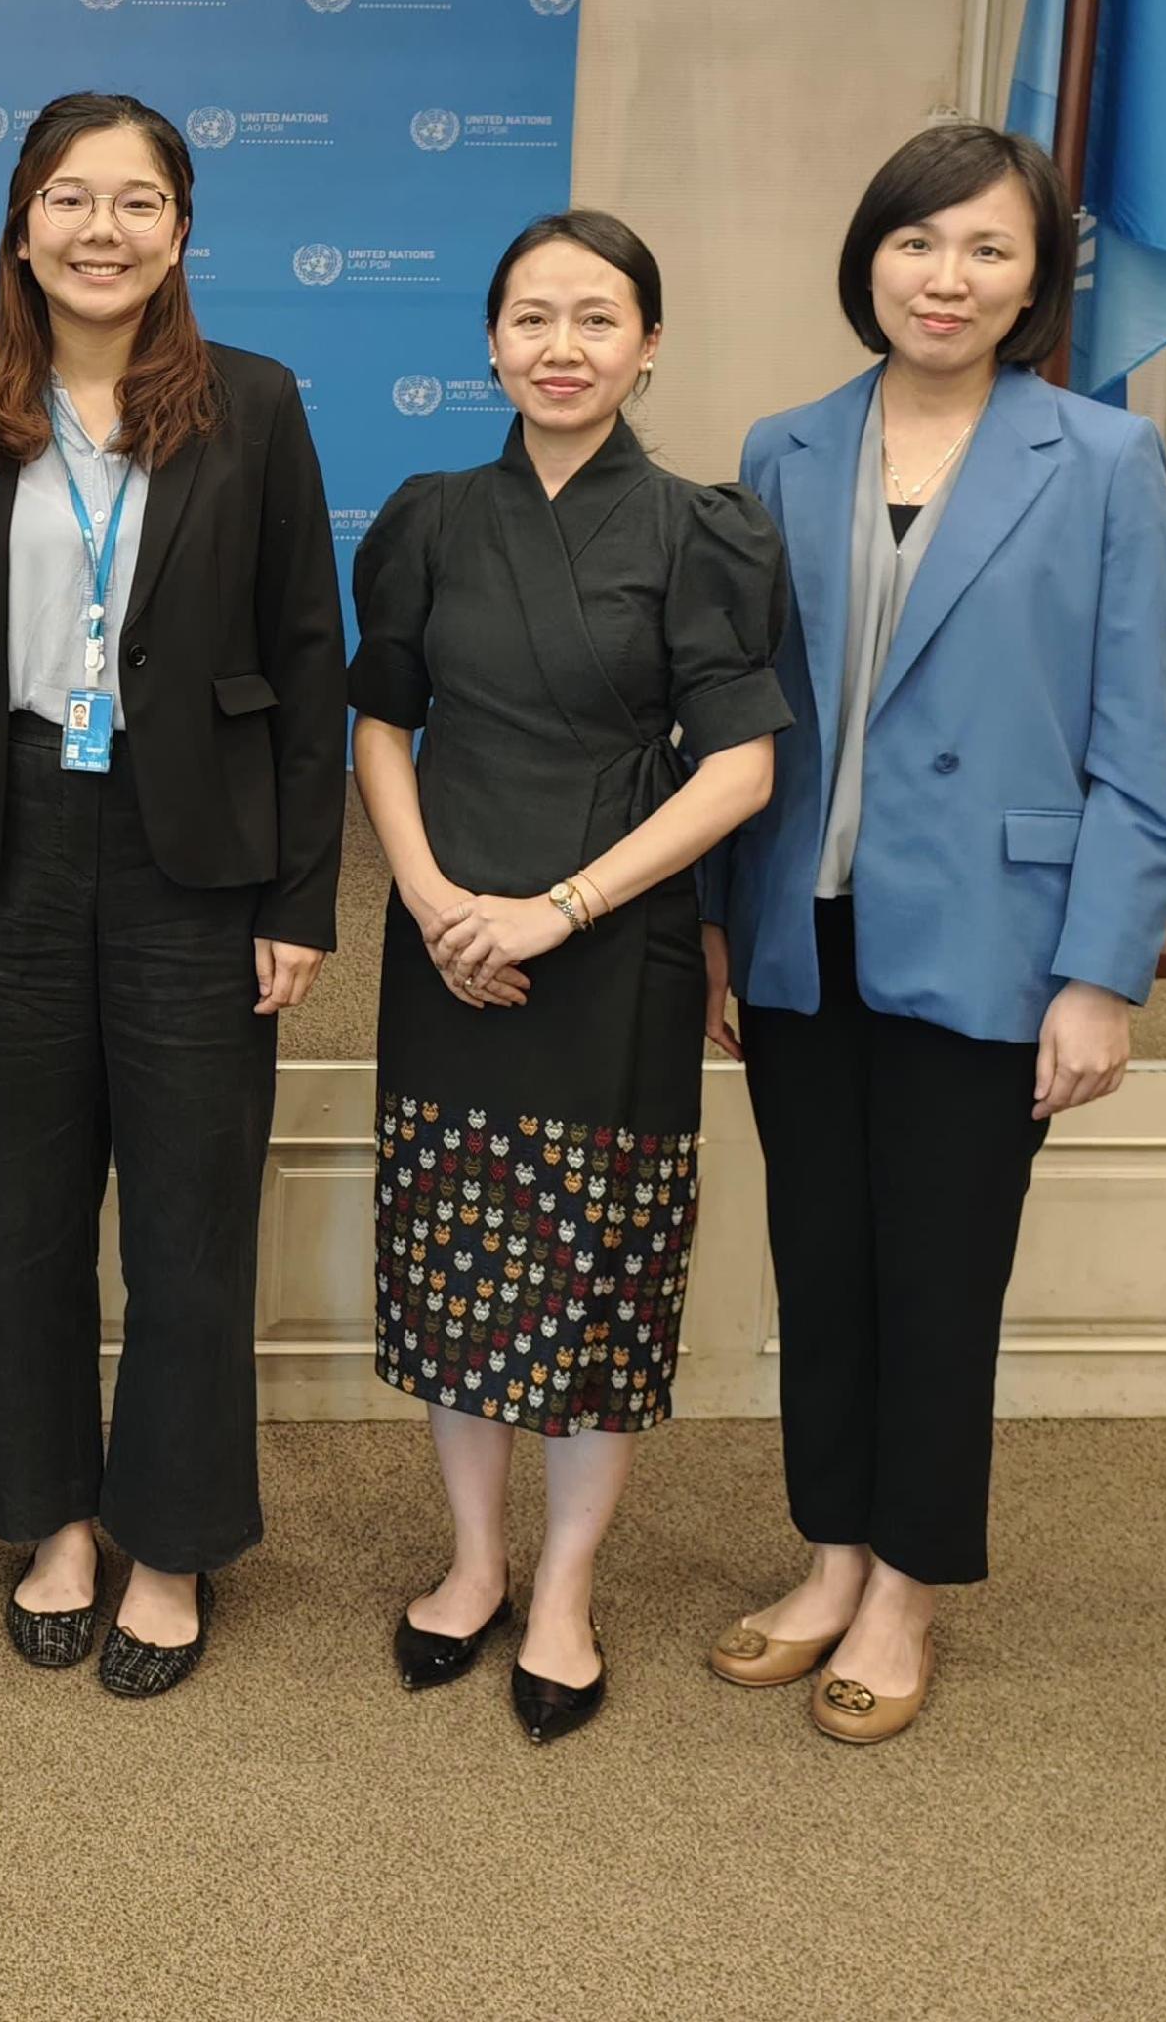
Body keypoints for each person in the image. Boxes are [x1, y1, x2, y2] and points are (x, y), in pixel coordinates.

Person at [701, 121, 1166, 1745]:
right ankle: (830, 1556)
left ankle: (908, 1588)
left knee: (940, 1275)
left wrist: (1103, 973)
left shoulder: (1103, 462)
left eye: (989, 249)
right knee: (821, 1265)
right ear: (870, 258)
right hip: (796, 931)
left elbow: (1140, 737)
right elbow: (735, 719)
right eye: (921, 242)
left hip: (996, 933)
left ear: (1037, 278)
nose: (949, 277)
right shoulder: (781, 449)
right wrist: (717, 924)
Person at [0, 91, 346, 1698]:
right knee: (20, 1213)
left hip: (199, 863)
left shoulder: (258, 406)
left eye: (138, 201)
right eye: (71, 200)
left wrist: (303, 899)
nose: (104, 230)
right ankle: (52, 1526)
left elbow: (309, 660)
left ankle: (168, 1545)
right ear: (22, 227)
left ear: (181, 232)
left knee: (186, 1220)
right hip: (16, 853)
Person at [348, 210, 788, 1744]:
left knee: (596, 1289)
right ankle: (472, 1566)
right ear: (489, 342)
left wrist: (557, 910)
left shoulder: (700, 530)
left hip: (617, 946)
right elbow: (384, 724)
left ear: (648, 346)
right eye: (532, 317)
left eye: (598, 319)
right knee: (459, 1271)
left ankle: (565, 1593)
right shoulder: (425, 516)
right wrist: (429, 895)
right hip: (445, 931)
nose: (562, 346)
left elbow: (739, 769)